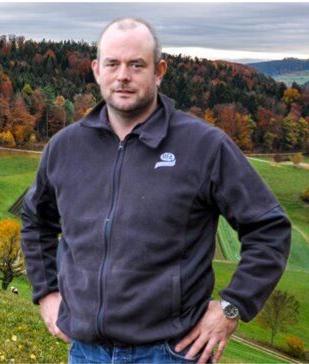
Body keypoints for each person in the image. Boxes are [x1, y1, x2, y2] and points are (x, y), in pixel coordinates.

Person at [20, 17, 291, 364]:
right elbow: (36, 219)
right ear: (96, 70)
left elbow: (269, 228)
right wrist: (46, 292)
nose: (123, 76)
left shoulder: (204, 146)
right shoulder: (65, 147)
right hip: (86, 351)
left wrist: (231, 307)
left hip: (170, 352)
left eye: (136, 65)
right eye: (112, 64)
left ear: (159, 71)